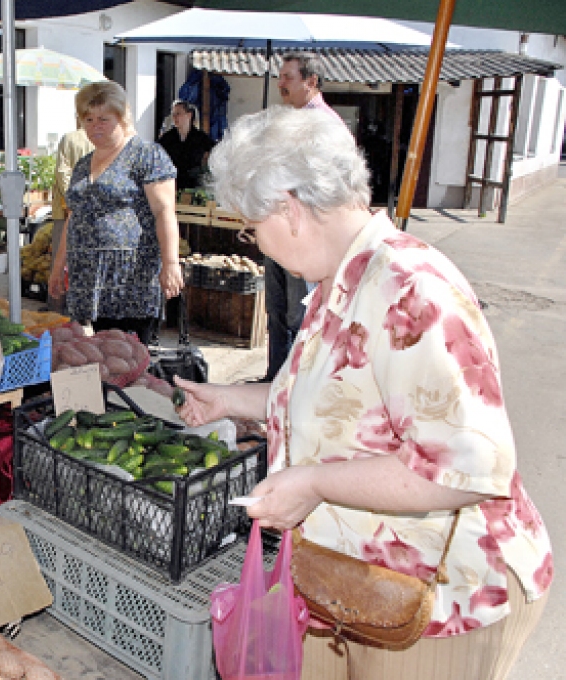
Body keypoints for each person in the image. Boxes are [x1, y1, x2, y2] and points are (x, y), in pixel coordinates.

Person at [176, 106, 553, 680]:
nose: (258, 247)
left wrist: (314, 483)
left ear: (291, 209)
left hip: (438, 599)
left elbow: (463, 469)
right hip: (360, 589)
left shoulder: (408, 288)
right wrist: (231, 400)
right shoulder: (342, 280)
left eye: (253, 230)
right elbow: (328, 399)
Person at [48, 81, 184, 345]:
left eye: (103, 119)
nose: (94, 126)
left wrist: (171, 263)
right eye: (88, 119)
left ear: (122, 118)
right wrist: (57, 267)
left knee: (129, 355)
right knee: (101, 351)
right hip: (88, 275)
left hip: (130, 276)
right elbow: (73, 217)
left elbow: (165, 211)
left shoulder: (146, 155)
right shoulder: (83, 164)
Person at [260, 52, 347, 382]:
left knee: (300, 316)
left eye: (288, 77)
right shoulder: (292, 122)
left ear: (311, 82)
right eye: (280, 77)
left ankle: (296, 385)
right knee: (278, 313)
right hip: (280, 230)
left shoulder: (324, 125)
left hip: (305, 235)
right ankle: (275, 380)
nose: (281, 84)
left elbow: (325, 187)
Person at [47, 119, 94, 314]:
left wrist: (70, 202)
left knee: (61, 256)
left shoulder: (70, 138)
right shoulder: (103, 141)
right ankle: (84, 310)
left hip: (67, 209)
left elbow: (62, 171)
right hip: (93, 210)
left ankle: (57, 308)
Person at [156, 99, 215, 192]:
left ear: (189, 115)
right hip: (173, 184)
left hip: (195, 185)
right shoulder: (167, 138)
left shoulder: (200, 137)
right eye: (173, 114)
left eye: (178, 114)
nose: (175, 117)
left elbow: (215, 151)